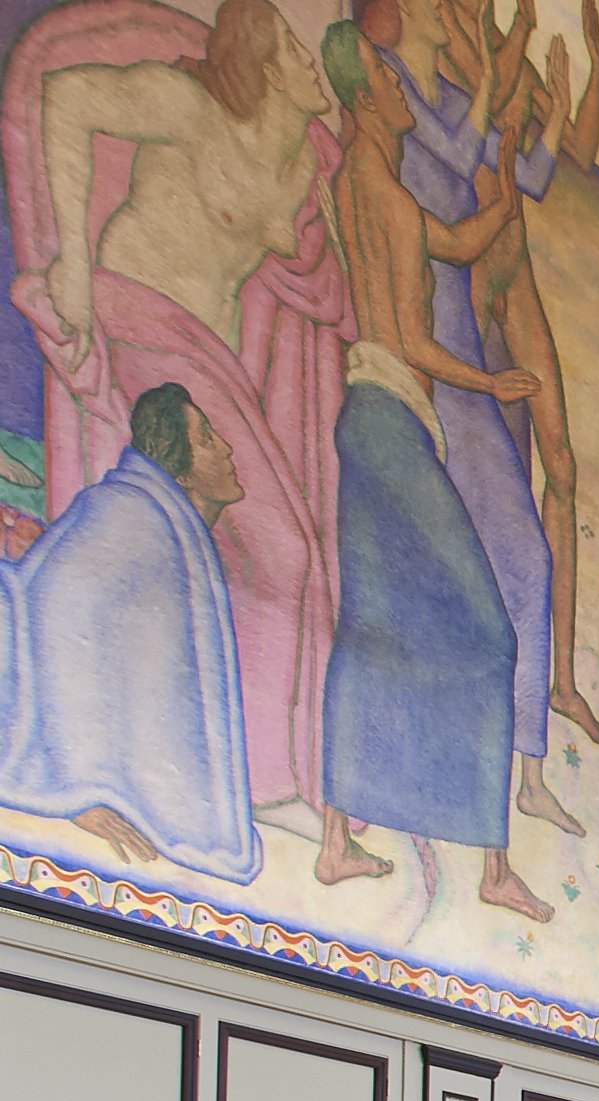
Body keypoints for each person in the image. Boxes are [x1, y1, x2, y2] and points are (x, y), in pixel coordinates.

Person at [11, 0, 364, 861]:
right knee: (267, 555)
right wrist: (75, 271)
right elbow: (65, 98)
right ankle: (203, 775)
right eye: (292, 45)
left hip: (209, 360)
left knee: (260, 561)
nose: (310, 60)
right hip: (138, 322)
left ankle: (243, 777)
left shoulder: (294, 176)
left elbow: (313, 284)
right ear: (261, 59)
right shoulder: (188, 107)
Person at [315, 15, 543, 918]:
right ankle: (492, 867)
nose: (402, 86)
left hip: (362, 416)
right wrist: (492, 380)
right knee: (488, 633)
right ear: (364, 97)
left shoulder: (357, 182)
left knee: (372, 622)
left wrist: (505, 196)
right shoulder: (388, 192)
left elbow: (453, 242)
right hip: (393, 418)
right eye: (387, 76)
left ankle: (337, 840)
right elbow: (413, 337)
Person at [359, 0, 578, 830]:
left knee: (522, 566)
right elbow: (457, 199)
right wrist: (494, 76)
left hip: (466, 365)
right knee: (488, 573)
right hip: (433, 372)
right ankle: (468, 776)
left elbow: (526, 179)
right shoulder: (394, 108)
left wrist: (548, 115)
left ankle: (525, 778)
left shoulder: (435, 106)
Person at [0, 381, 259, 877]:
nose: (225, 448)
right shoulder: (127, 516)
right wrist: (80, 789)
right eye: (206, 438)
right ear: (178, 467)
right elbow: (59, 622)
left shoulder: (158, 520)